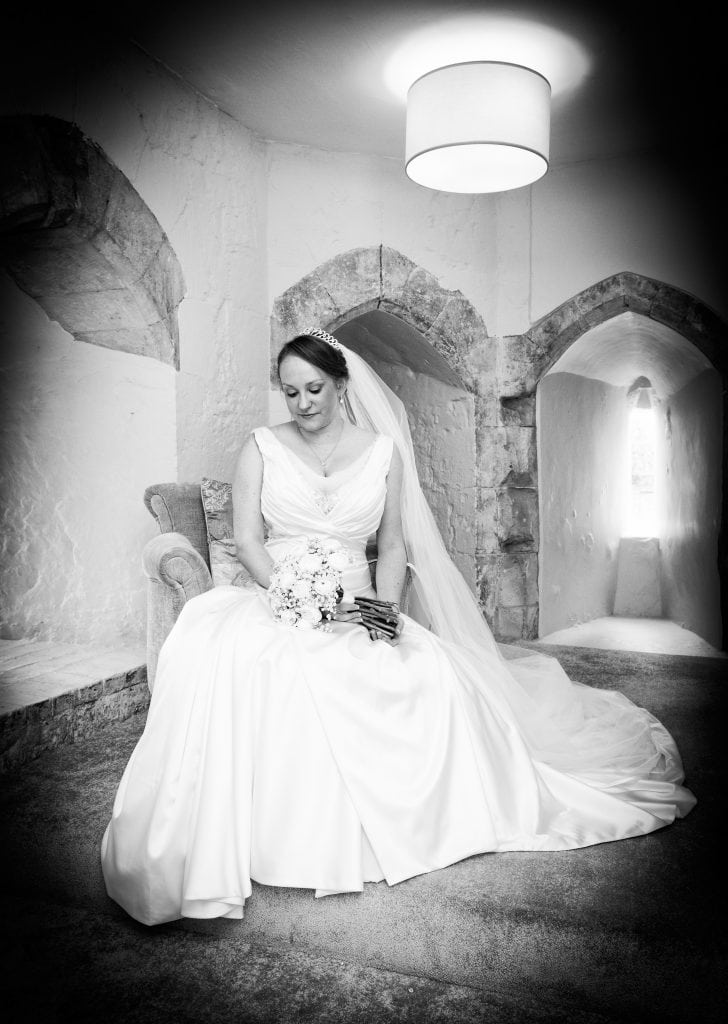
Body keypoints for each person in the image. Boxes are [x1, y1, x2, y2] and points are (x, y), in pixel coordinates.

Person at [101, 329, 696, 926]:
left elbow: (391, 544)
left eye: (313, 389)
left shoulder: (383, 451)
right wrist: (291, 593)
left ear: (340, 386)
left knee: (428, 675)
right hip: (281, 599)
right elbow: (251, 541)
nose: (303, 403)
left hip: (362, 605)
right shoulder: (260, 447)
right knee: (261, 665)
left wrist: (384, 611)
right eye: (289, 393)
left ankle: (434, 817)